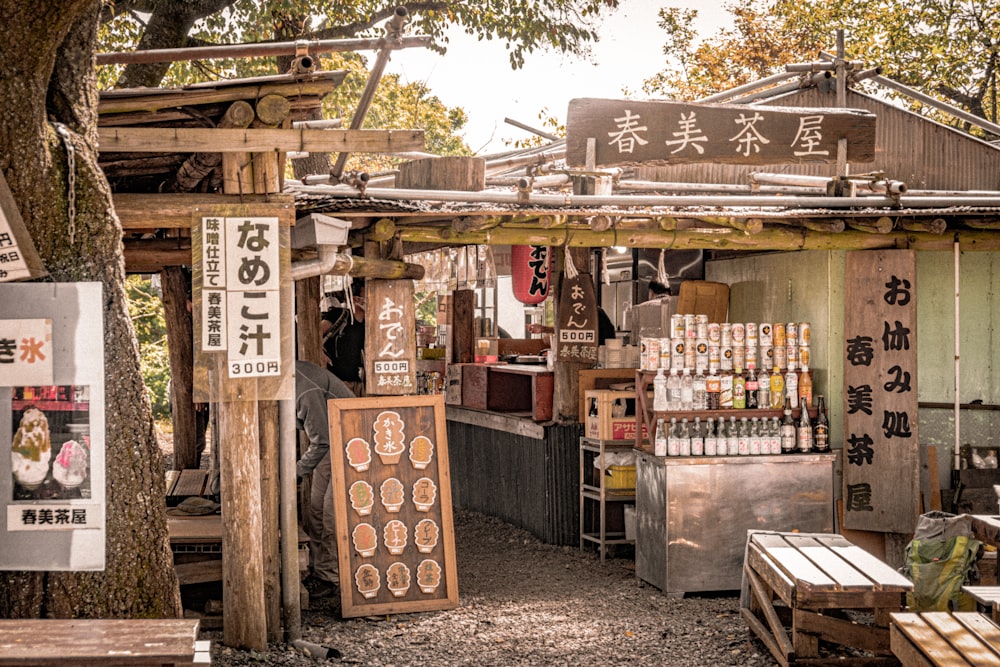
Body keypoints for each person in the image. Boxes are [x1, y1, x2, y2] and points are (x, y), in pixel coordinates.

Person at [295, 359, 355, 598]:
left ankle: (331, 578)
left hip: (350, 442)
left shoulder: (304, 390)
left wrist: (297, 472)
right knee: (316, 510)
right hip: (330, 442)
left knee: (331, 513)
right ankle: (320, 571)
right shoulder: (291, 375)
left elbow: (322, 441)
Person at [322, 287, 366, 396]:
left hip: (358, 382)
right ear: (356, 299)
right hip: (336, 380)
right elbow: (314, 334)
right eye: (367, 295)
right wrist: (321, 354)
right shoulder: (339, 315)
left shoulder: (369, 323)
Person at [526, 307, 616, 345]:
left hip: (601, 356)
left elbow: (579, 335)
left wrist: (554, 340)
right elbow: (571, 329)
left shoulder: (591, 311)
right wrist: (544, 329)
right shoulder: (583, 309)